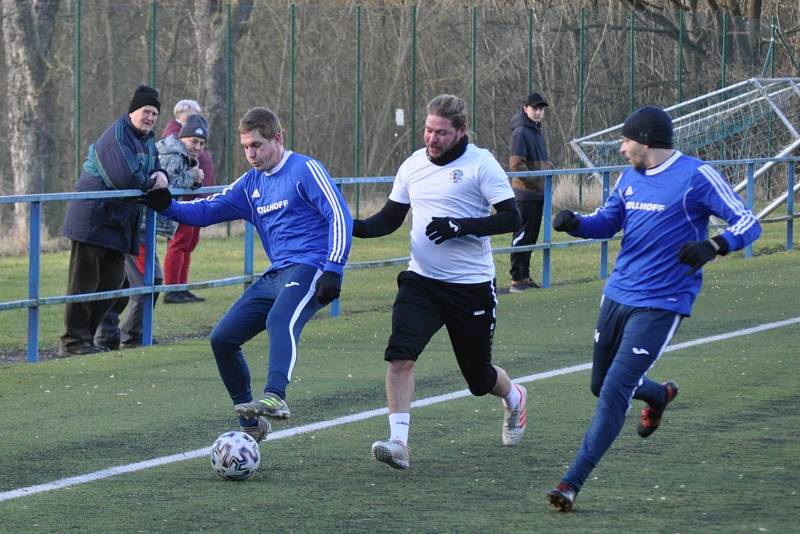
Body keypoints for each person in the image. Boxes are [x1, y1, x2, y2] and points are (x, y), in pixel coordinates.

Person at [546, 106, 761, 512]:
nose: (622, 148)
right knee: (600, 383)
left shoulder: (696, 176)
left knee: (613, 392)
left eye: (625, 141)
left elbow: (749, 221)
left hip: (662, 303)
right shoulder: (629, 177)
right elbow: (608, 223)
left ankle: (570, 482)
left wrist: (714, 245)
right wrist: (575, 223)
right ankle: (659, 395)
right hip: (618, 295)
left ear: (645, 140)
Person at [141, 106, 352, 443]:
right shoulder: (250, 183)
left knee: (280, 320)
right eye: (245, 147)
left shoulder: (305, 169)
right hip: (276, 273)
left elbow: (339, 214)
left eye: (257, 145)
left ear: (277, 139)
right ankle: (251, 422)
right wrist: (166, 204)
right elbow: (207, 209)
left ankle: (276, 395)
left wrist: (334, 269)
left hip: (312, 267)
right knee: (222, 338)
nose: (251, 154)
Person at [352, 94, 527, 470]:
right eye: (428, 130)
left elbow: (513, 219)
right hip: (422, 283)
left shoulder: (481, 163)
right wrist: (348, 227)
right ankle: (399, 443)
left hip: (471, 287)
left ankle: (514, 397)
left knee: (479, 379)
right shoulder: (413, 164)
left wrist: (460, 227)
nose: (432, 139)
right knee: (400, 356)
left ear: (461, 131)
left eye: (441, 133)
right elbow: (387, 219)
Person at [59, 85, 168, 356]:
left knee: (113, 282)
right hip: (93, 219)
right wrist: (153, 180)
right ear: (132, 111)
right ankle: (72, 342)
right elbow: (124, 177)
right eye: (146, 111)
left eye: (154, 113)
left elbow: (153, 171)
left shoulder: (146, 141)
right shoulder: (116, 136)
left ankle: (86, 338)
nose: (150, 117)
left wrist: (162, 174)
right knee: (84, 283)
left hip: (118, 223)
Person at [95, 115, 209, 349]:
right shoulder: (174, 155)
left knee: (124, 283)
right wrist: (193, 178)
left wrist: (193, 180)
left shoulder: (176, 152)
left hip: (139, 225)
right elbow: (164, 186)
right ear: (181, 137)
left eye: (201, 143)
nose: (197, 147)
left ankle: (110, 335)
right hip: (139, 225)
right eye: (193, 141)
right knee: (151, 281)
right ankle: (131, 335)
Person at [160, 99, 216, 303]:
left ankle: (182, 286)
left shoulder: (193, 134)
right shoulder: (174, 138)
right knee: (179, 242)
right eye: (192, 115)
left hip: (196, 198)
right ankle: (173, 287)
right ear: (180, 115)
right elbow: (174, 172)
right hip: (184, 200)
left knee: (189, 243)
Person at [508, 92, 551, 292]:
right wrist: (538, 179)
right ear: (525, 108)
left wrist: (548, 169)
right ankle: (517, 279)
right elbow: (516, 166)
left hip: (538, 193)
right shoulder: (521, 132)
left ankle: (524, 277)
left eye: (541, 109)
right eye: (535, 108)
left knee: (531, 237)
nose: (538, 112)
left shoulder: (536, 131)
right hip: (525, 194)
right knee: (522, 235)